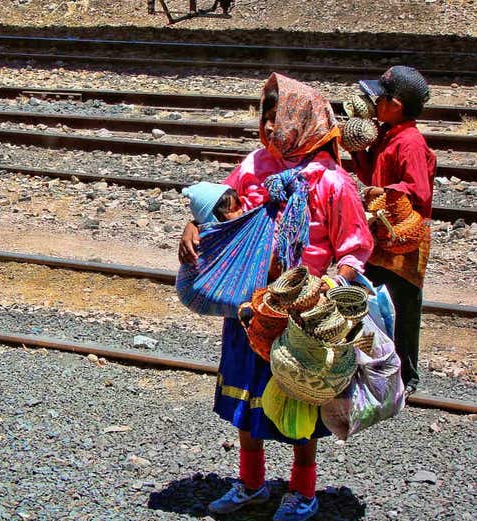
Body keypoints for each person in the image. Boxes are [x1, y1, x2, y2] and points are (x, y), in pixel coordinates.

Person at [178, 73, 373, 521]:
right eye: (263, 119)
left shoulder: (332, 182)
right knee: (249, 398)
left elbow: (354, 248)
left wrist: (329, 292)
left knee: (300, 399)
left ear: (301, 120)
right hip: (251, 307)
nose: (267, 128)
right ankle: (251, 484)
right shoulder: (254, 165)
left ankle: (303, 491)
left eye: (276, 118)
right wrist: (194, 225)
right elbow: (220, 205)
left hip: (302, 312)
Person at [351, 65, 436, 395]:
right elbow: (370, 172)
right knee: (374, 302)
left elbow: (419, 192)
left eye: (378, 99)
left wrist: (383, 192)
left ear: (395, 105)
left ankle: (406, 375)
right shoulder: (388, 135)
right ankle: (378, 366)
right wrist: (358, 147)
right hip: (382, 236)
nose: (373, 104)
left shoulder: (410, 142)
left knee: (402, 308)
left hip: (403, 240)